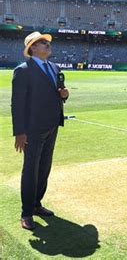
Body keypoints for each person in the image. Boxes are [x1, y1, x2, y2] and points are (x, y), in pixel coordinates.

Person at [12, 31, 69, 230]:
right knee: (31, 170)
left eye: (47, 42)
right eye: (42, 43)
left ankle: (37, 204)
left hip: (52, 125)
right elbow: (17, 104)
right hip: (32, 129)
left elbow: (58, 94)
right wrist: (20, 132)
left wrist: (64, 94)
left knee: (44, 168)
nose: (47, 45)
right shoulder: (23, 70)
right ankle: (26, 213)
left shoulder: (54, 67)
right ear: (32, 48)